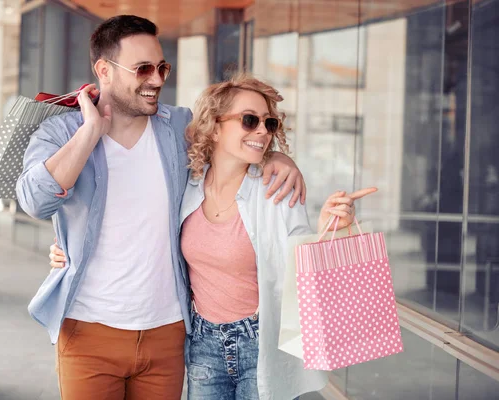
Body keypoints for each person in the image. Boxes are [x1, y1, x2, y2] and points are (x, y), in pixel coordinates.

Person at [17, 15, 306, 400]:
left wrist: (278, 158)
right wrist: (89, 133)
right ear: (104, 69)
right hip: (88, 331)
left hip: (167, 335)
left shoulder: (178, 126)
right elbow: (36, 201)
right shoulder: (60, 132)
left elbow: (234, 139)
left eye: (162, 67)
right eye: (143, 69)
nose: (156, 79)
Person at [50, 74, 377, 399]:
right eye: (249, 120)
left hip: (260, 342)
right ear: (216, 127)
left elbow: (299, 260)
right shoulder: (187, 185)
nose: (262, 131)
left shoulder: (275, 190)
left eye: (269, 123)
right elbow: (136, 222)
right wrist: (70, 249)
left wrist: (329, 226)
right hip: (203, 342)